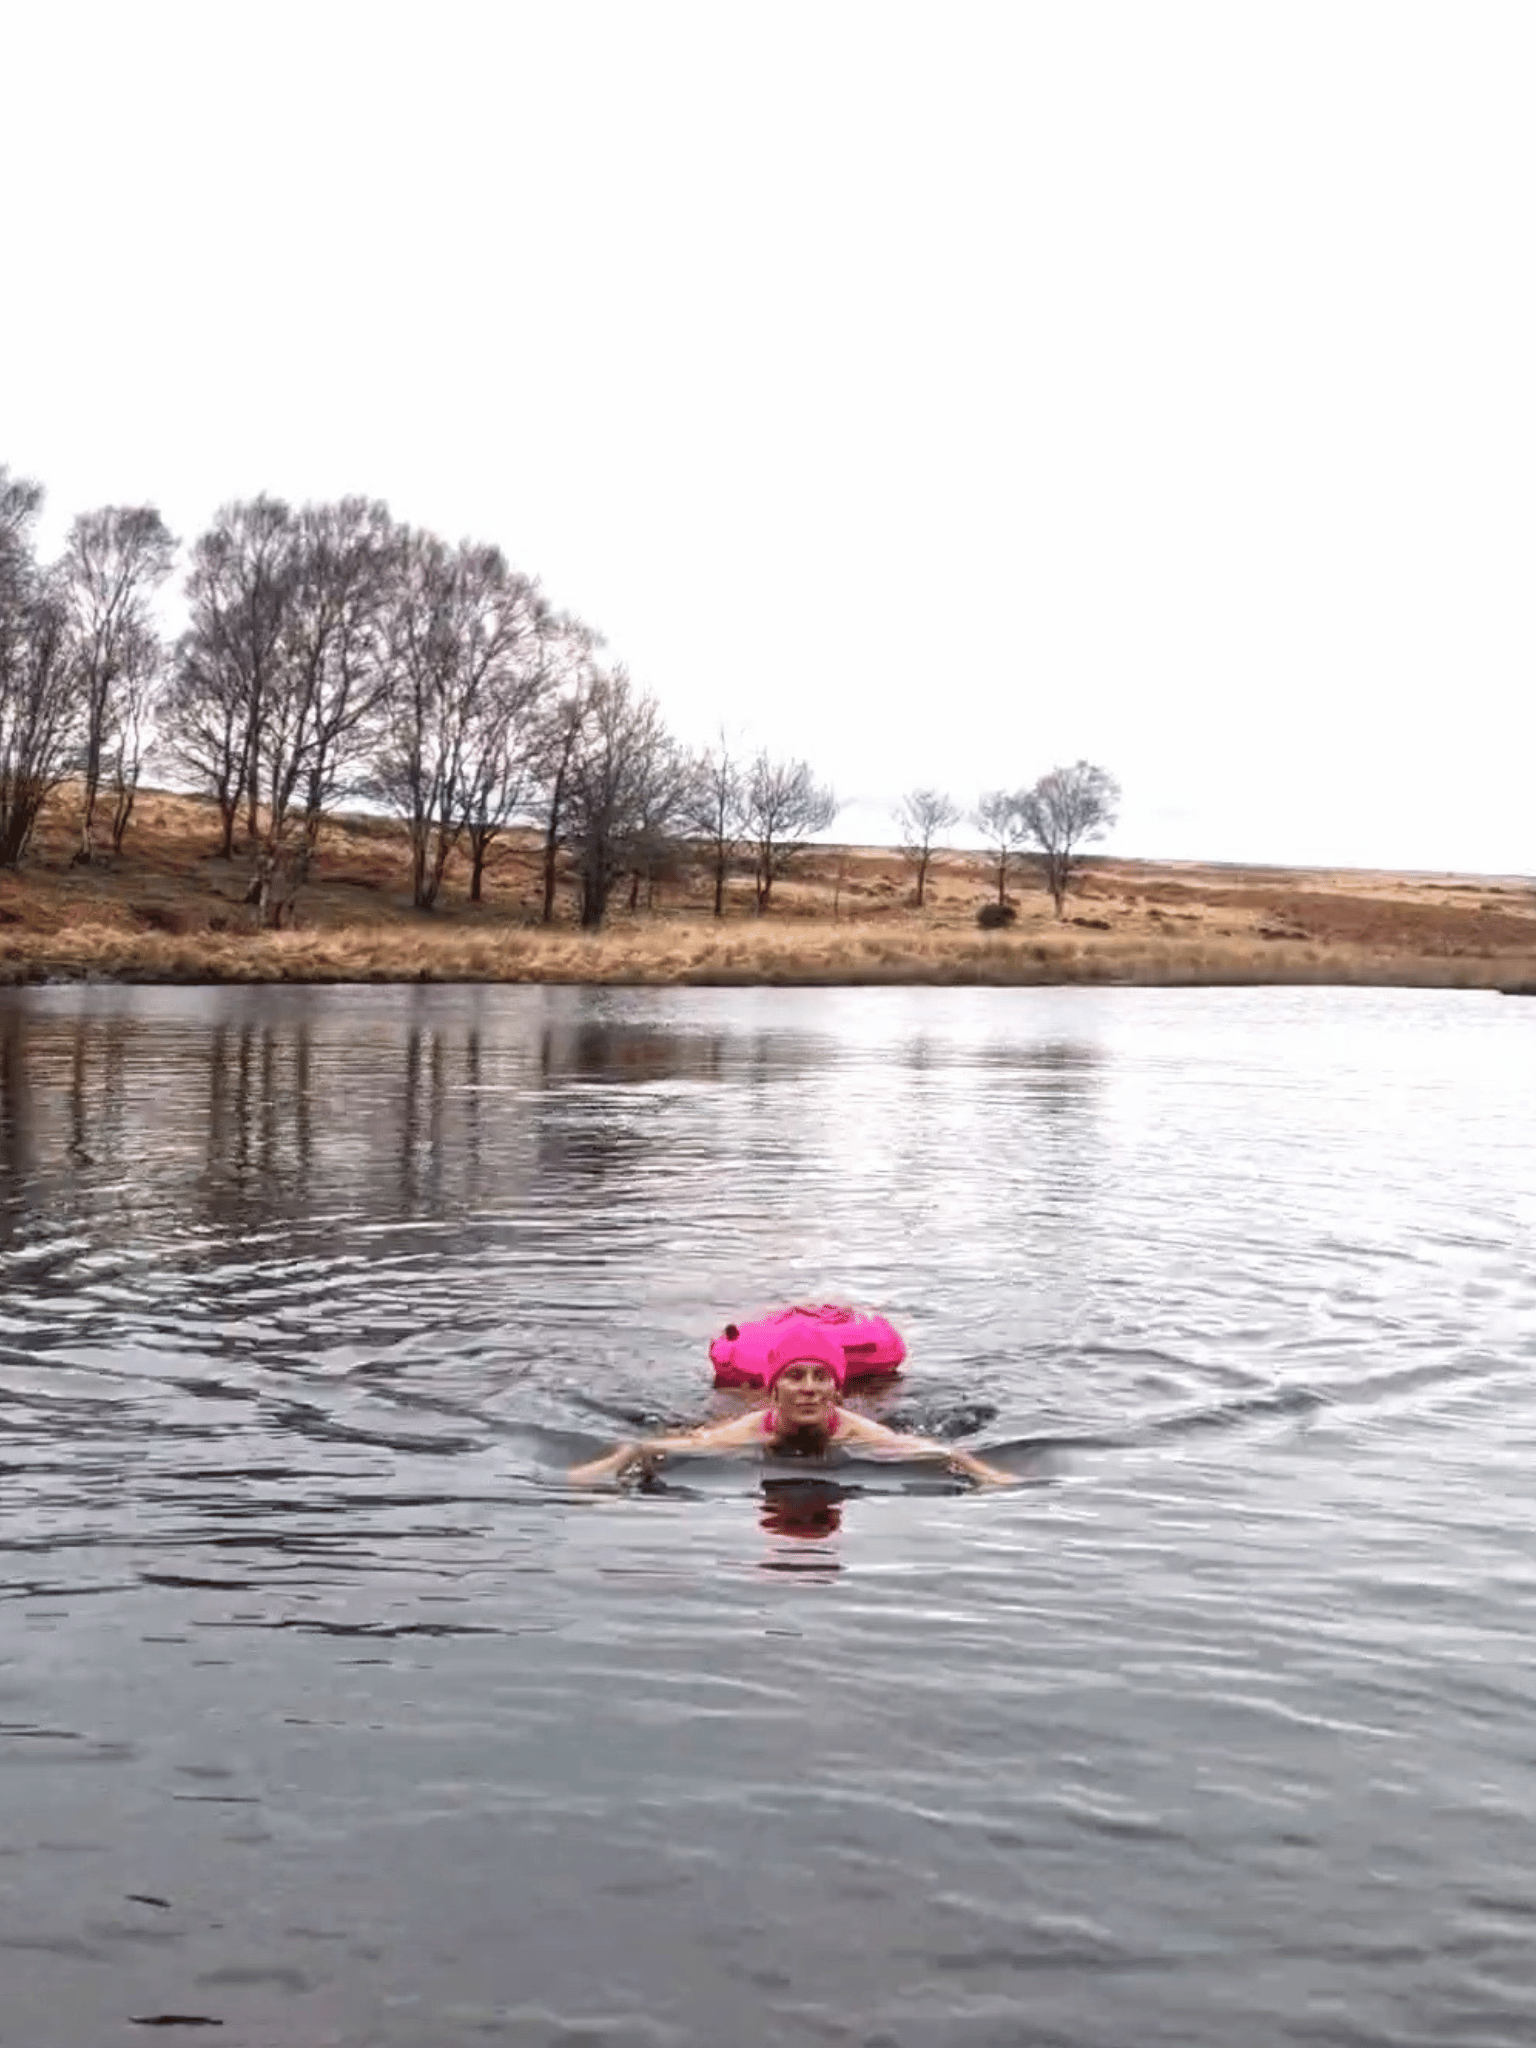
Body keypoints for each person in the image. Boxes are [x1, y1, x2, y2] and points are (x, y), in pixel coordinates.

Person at [568, 1325, 1016, 1487]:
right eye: (795, 1376)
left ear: (836, 1393)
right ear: (773, 1390)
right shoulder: (744, 1433)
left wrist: (990, 1477)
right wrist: (607, 1469)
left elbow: (945, 1454)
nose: (808, 1389)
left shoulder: (860, 1433)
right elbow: (649, 1447)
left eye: (821, 1377)